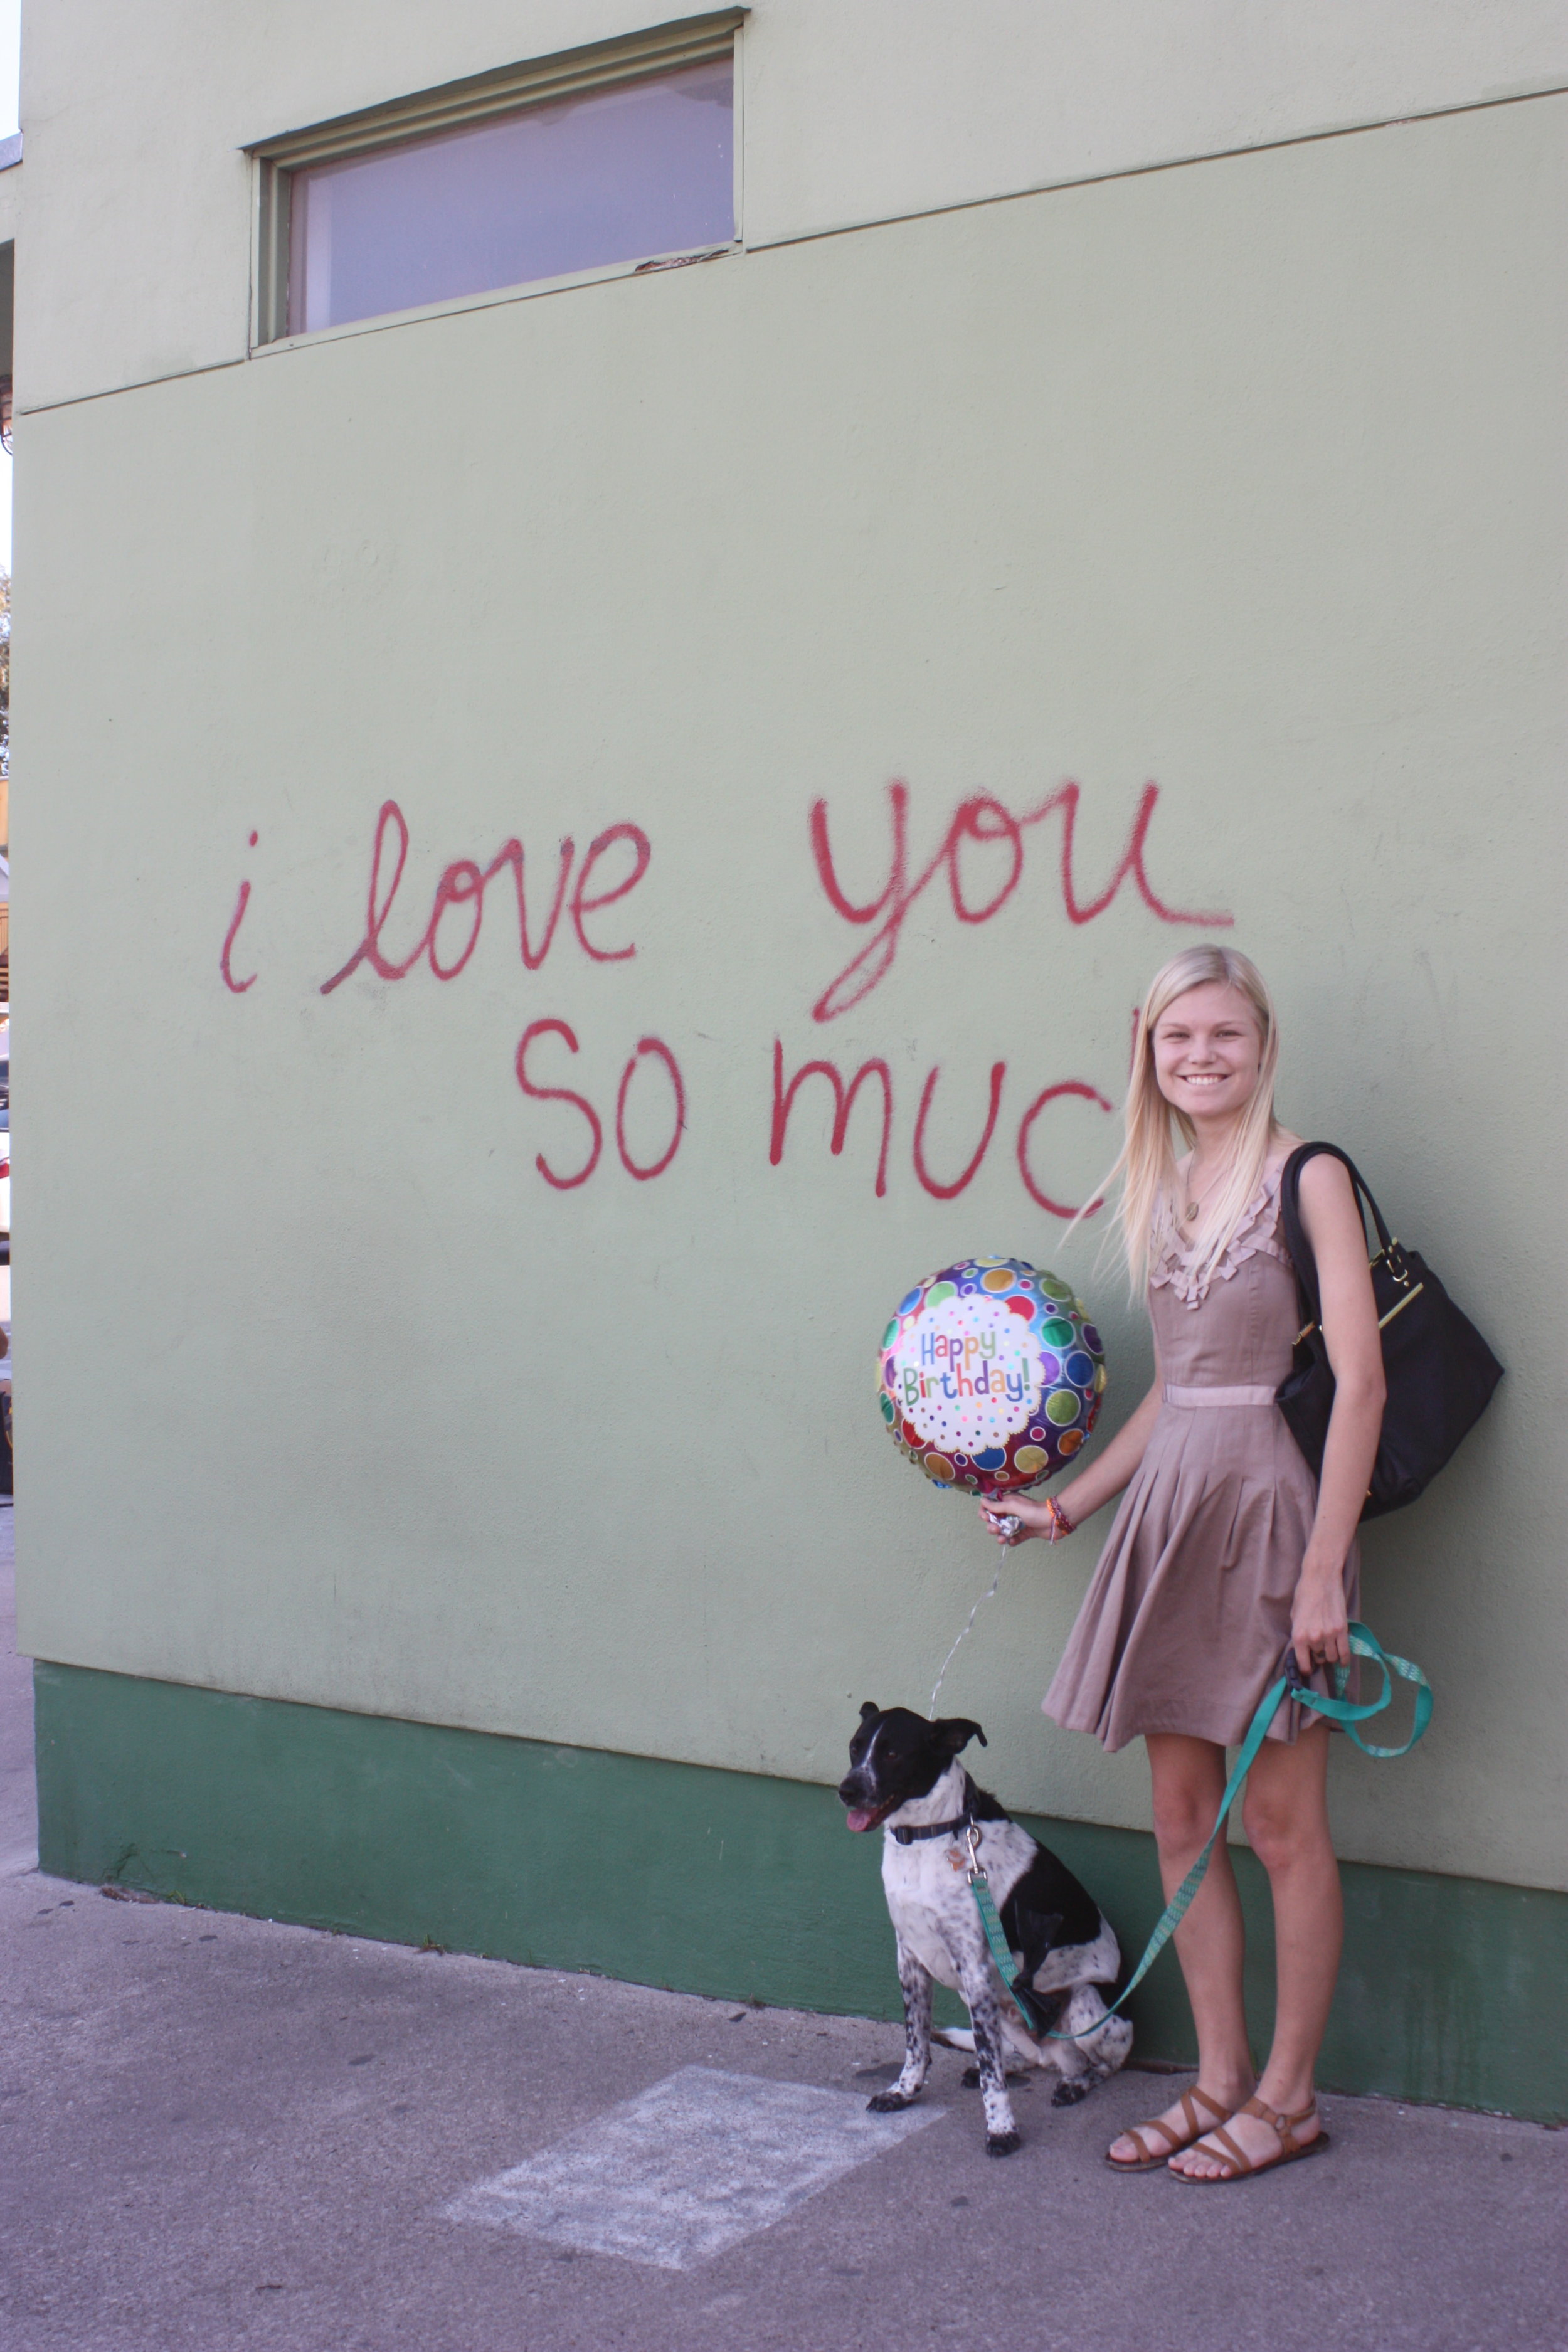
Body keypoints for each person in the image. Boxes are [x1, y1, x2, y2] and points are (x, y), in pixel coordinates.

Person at [978, 945, 1384, 2183]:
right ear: (1147, 1052)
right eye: (1177, 1038)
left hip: (1274, 1520)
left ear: (1262, 1044)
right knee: (1179, 1819)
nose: (1201, 1056)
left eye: (1224, 1034)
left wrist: (1324, 1571)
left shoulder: (1307, 1174)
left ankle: (1289, 2097)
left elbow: (1360, 1383)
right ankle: (1217, 2079)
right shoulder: (1166, 1180)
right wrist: (1067, 1508)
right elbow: (1176, 1387)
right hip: (1171, 1514)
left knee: (1280, 1825)